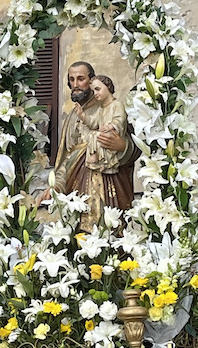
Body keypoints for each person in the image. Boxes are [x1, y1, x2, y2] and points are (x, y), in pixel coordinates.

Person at [50, 61, 138, 231]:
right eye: (71, 80)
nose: (75, 84)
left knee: (109, 232)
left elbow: (134, 146)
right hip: (77, 192)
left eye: (81, 79)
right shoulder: (73, 116)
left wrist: (122, 146)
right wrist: (56, 186)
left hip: (108, 185)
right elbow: (66, 159)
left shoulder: (108, 106)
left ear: (91, 81)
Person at [74, 75, 127, 174]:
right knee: (93, 134)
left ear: (108, 87)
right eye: (93, 91)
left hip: (113, 134)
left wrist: (110, 126)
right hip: (104, 134)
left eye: (98, 89)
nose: (95, 94)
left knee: (97, 135)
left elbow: (120, 119)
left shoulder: (117, 104)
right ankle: (98, 159)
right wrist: (82, 115)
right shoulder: (101, 108)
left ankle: (104, 160)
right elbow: (94, 122)